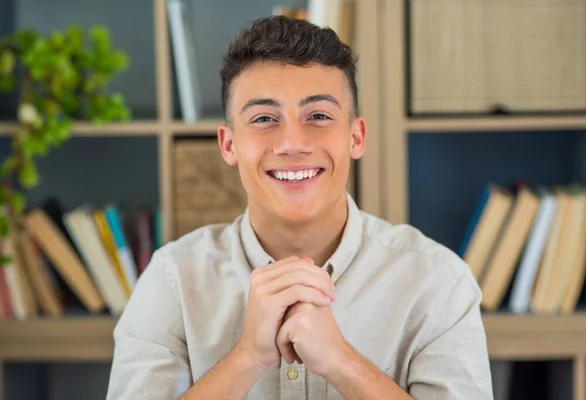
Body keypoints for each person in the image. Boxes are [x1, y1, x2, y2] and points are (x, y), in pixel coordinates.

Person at [106, 15, 493, 400]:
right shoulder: (171, 280)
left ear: (355, 137)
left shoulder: (438, 283)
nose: (292, 142)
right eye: (263, 118)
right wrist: (248, 357)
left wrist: (341, 363)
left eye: (319, 116)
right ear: (229, 145)